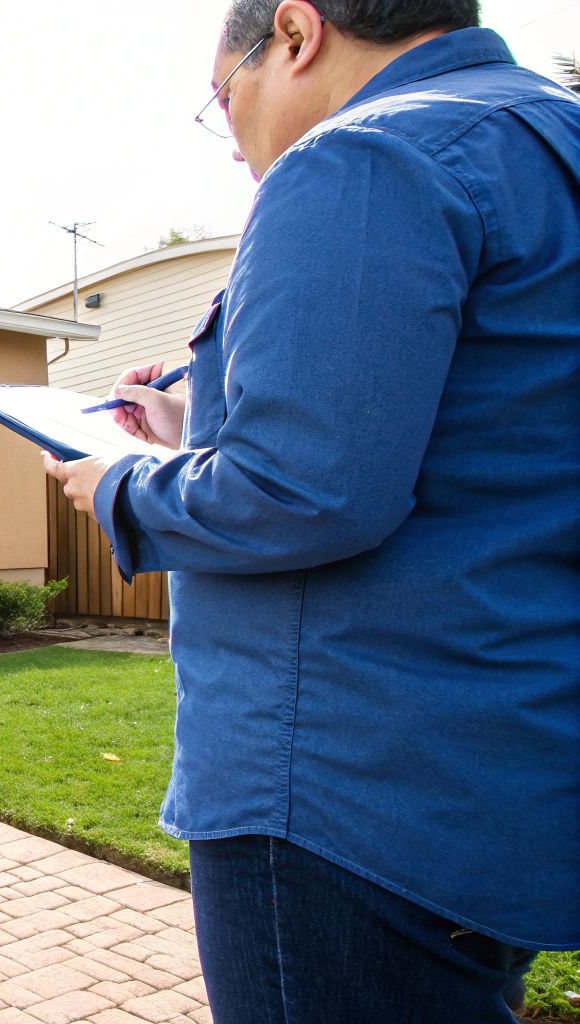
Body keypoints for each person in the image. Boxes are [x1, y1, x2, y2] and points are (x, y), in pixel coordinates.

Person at [42, 2, 580, 1020]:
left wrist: (115, 484)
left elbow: (299, 492)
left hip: (343, 791)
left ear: (293, 34)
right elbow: (484, 421)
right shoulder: (545, 141)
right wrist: (195, 408)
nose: (236, 134)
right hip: (498, 772)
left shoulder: (364, 159)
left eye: (223, 97)